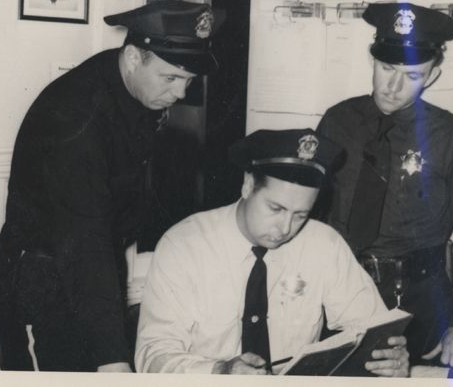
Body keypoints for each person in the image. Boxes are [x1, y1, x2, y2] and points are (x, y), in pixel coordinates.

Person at [0, 0, 224, 372]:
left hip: (94, 250)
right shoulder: (77, 120)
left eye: (188, 80)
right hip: (49, 269)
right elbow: (84, 241)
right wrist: (111, 358)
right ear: (134, 57)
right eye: (170, 78)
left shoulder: (127, 81)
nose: (181, 93)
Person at [135, 129, 409, 376]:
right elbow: (153, 354)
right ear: (247, 185)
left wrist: (389, 357)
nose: (285, 228)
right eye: (276, 209)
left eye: (300, 215)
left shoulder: (324, 244)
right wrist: (219, 371)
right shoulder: (184, 246)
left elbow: (373, 327)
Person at [315, 2, 453, 368]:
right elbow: (310, 220)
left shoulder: (452, 138)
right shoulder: (337, 123)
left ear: (431, 76)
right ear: (373, 60)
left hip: (421, 304)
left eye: (412, 75)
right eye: (386, 68)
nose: (393, 86)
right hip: (341, 294)